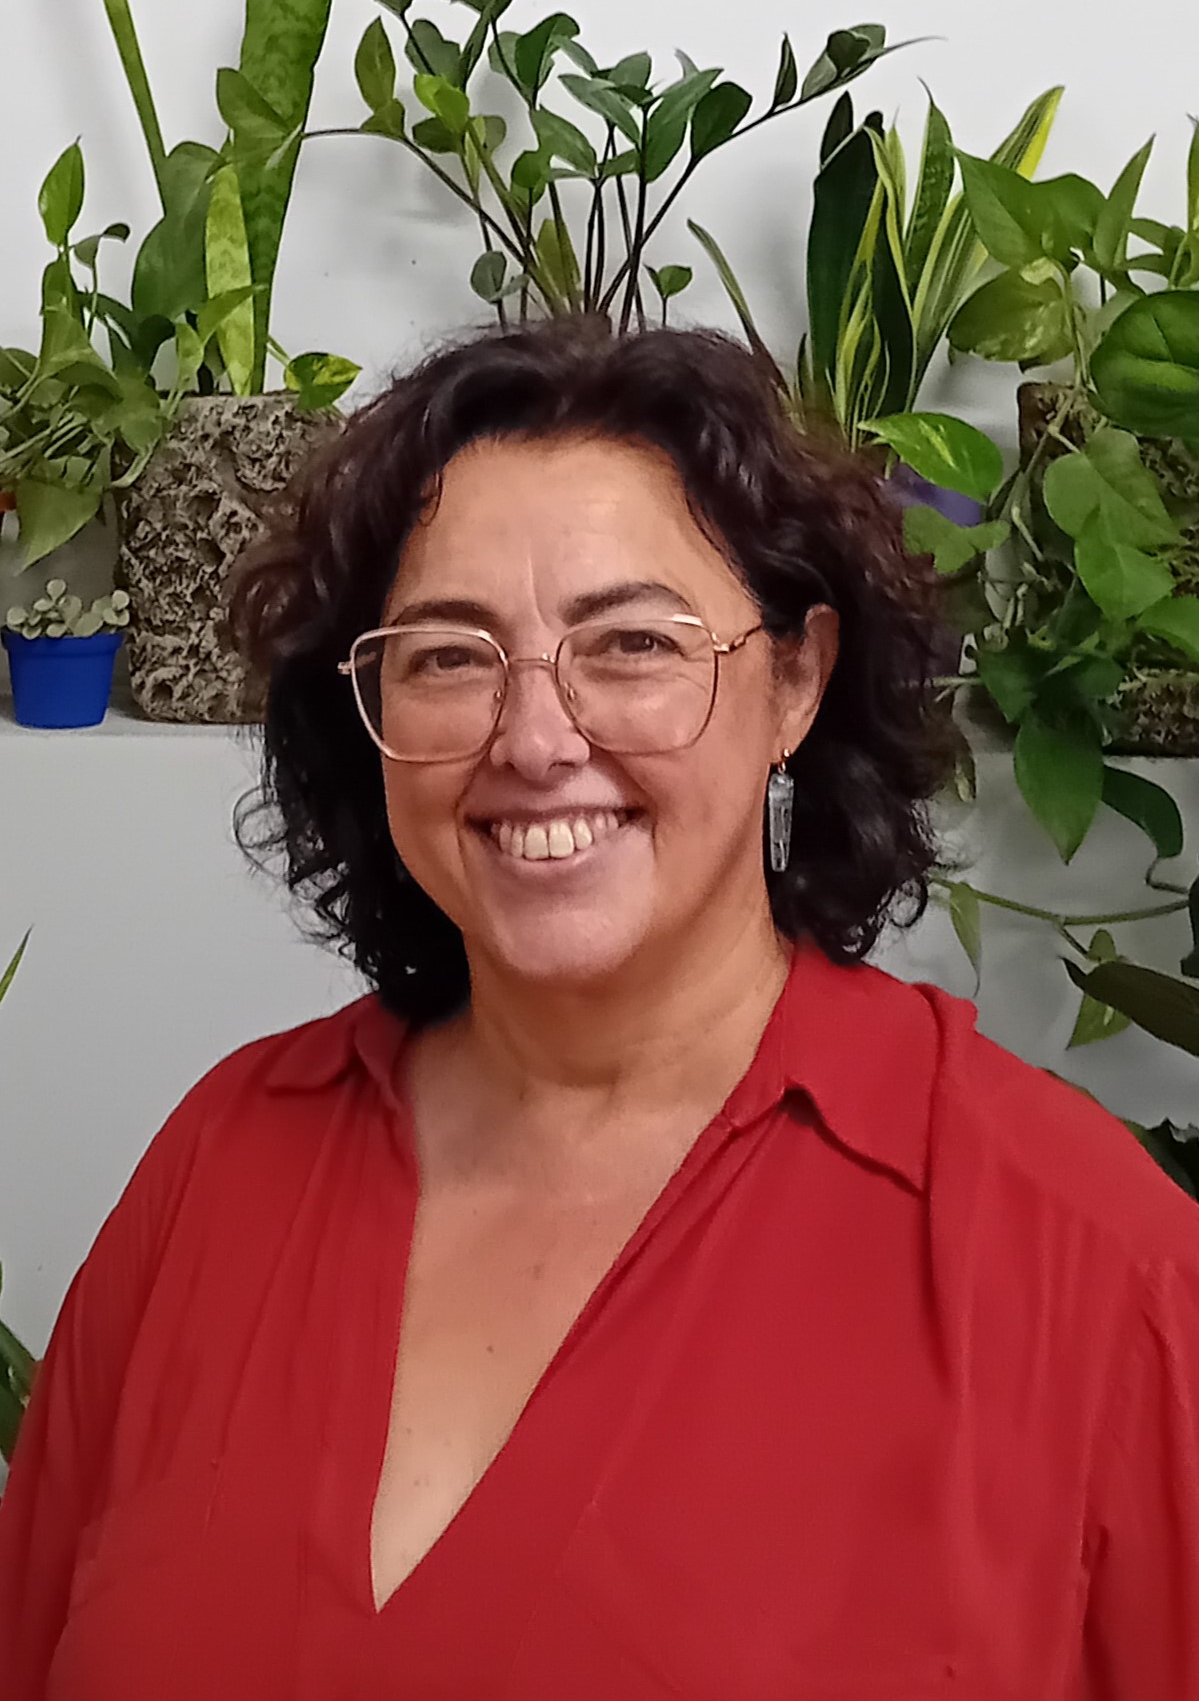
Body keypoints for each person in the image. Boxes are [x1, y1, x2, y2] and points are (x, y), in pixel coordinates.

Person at [1, 319, 1198, 1700]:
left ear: (796, 681)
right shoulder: (221, 1165)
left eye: (630, 642)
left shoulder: (1089, 1269)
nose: (533, 739)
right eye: (449, 656)